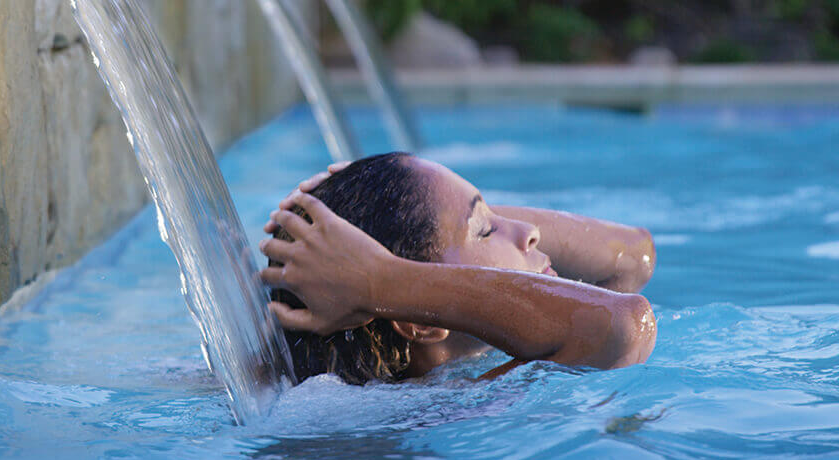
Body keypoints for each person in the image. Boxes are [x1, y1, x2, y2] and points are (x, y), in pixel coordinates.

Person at [258, 152, 656, 384]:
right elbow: (623, 326)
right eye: (485, 230)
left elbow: (633, 255)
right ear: (420, 324)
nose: (531, 232)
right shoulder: (437, 410)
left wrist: (389, 192)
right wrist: (381, 283)